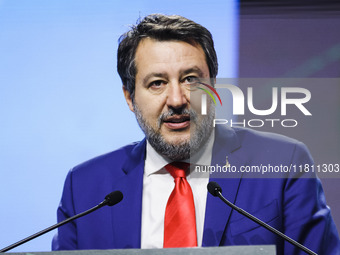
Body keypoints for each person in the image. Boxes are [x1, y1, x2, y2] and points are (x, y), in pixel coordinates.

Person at [52, 14, 340, 254]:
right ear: (129, 97)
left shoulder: (283, 164)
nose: (177, 99)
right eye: (157, 83)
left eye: (191, 79)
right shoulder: (86, 188)